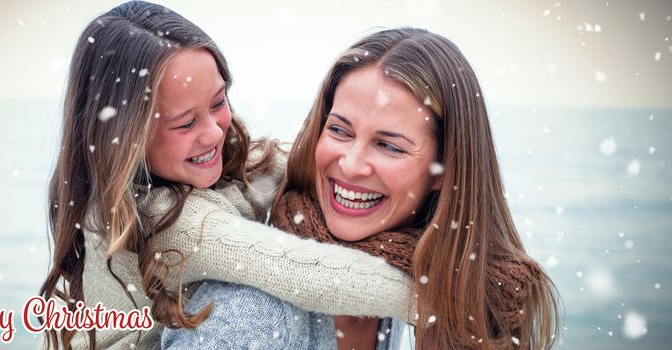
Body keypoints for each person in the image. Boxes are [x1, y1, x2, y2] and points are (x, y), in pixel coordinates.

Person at [39, 2, 415, 350]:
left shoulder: (213, 167)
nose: (215, 132)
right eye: (186, 123)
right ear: (124, 139)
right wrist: (436, 296)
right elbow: (301, 271)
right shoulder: (162, 219)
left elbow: (297, 163)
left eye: (219, 102)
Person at [163, 27, 560, 349]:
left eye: (388, 145)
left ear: (445, 169)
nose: (351, 165)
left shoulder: (410, 269)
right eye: (339, 130)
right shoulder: (250, 317)